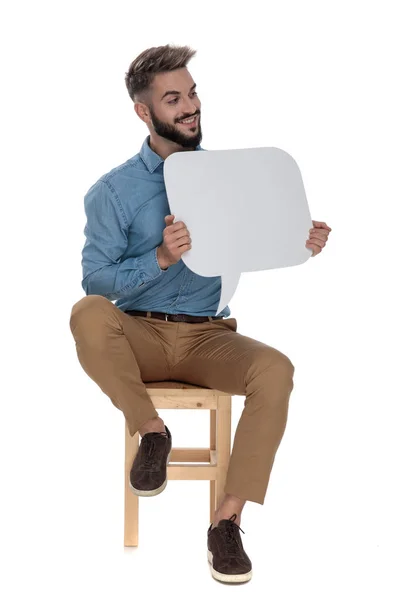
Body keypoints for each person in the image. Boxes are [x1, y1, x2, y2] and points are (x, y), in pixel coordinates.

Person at [69, 43, 332, 584]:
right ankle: (152, 432)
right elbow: (96, 279)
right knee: (87, 312)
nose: (189, 107)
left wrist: (301, 239)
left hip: (211, 336)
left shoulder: (230, 175)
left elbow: (261, 239)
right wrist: (160, 258)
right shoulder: (113, 191)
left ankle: (226, 523)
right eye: (173, 99)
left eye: (191, 93)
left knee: (276, 369)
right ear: (144, 112)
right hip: (140, 332)